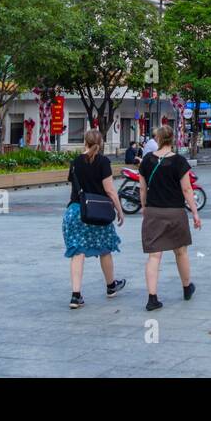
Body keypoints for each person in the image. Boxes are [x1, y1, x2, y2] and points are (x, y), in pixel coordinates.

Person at [138, 125, 200, 311]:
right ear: (172, 139)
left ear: (157, 139)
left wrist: (144, 206)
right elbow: (187, 189)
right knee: (181, 252)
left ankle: (152, 297)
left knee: (154, 256)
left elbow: (142, 188)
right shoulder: (179, 162)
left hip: (154, 212)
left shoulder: (147, 160)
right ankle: (187, 287)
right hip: (175, 212)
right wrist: (195, 213)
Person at [65, 129, 126, 307]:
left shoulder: (75, 162)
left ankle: (76, 295)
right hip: (98, 211)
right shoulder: (103, 161)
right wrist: (119, 210)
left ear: (85, 142)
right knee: (105, 249)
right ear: (101, 143)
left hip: (77, 210)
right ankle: (111, 286)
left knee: (78, 252)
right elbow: (109, 190)